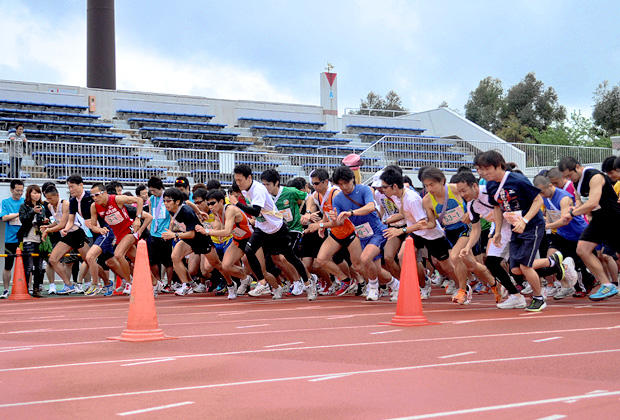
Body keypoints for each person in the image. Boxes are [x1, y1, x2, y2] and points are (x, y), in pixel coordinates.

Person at [479, 150, 562, 312]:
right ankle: (552, 262)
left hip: (532, 225)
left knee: (525, 265)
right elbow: (497, 206)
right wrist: (497, 232)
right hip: (514, 226)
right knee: (515, 269)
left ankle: (538, 298)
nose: (484, 172)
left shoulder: (517, 180)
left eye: (487, 168)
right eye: (481, 169)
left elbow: (538, 200)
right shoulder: (490, 185)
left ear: (498, 166)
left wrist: (525, 220)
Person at [232, 164, 315, 300]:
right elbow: (257, 212)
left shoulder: (258, 189)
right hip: (262, 229)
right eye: (236, 180)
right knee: (248, 251)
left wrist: (237, 204)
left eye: (240, 180)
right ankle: (262, 282)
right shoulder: (246, 190)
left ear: (249, 178)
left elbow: (256, 211)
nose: (238, 183)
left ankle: (307, 283)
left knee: (290, 257)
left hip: (277, 228)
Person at [332, 166, 397, 302]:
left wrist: (351, 213)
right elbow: (338, 221)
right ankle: (397, 286)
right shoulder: (338, 199)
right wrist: (334, 218)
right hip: (362, 235)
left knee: (365, 258)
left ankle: (373, 287)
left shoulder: (364, 190)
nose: (344, 187)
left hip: (377, 232)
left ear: (352, 180)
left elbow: (371, 207)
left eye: (346, 183)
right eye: (340, 184)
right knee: (377, 270)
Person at [559, 157, 620, 301]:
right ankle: (607, 285)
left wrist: (573, 213)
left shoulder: (595, 177)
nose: (568, 179)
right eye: (565, 177)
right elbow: (579, 199)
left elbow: (592, 202)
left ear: (578, 167)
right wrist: (576, 208)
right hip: (598, 220)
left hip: (613, 218)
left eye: (569, 175)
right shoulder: (576, 182)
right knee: (582, 250)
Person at [88, 183, 148, 295]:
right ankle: (154, 283)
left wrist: (138, 219)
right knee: (136, 259)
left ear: (104, 193)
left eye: (97, 195)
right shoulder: (94, 206)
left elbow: (139, 200)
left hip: (130, 230)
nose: (95, 198)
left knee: (118, 254)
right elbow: (93, 226)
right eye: (92, 196)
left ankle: (129, 283)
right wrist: (100, 230)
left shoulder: (117, 199)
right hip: (119, 235)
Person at [161, 187, 216, 296]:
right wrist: (199, 211)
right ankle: (187, 284)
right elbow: (188, 202)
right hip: (189, 240)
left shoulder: (187, 212)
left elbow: (192, 234)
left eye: (168, 201)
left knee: (215, 265)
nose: (165, 204)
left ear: (177, 202)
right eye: (164, 201)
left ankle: (231, 282)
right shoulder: (174, 209)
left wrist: (175, 235)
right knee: (175, 256)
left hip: (201, 239)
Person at [203, 189, 254, 299]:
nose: (210, 206)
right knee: (226, 266)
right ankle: (245, 278)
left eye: (212, 203)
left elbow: (227, 231)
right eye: (208, 204)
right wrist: (220, 233)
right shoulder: (217, 212)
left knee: (256, 265)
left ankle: (273, 286)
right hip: (238, 240)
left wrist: (207, 231)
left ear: (221, 201)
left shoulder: (230, 209)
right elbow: (223, 227)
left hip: (252, 239)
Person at [45, 175, 92, 295]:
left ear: (57, 195)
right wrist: (48, 227)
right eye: (47, 199)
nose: (49, 201)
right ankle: (68, 284)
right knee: (53, 259)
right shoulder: (50, 206)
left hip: (76, 233)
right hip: (68, 235)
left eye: (50, 198)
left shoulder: (65, 203)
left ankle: (104, 282)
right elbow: (56, 221)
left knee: (89, 260)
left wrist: (48, 231)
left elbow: (62, 224)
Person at [18, 185, 48, 298]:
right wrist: (32, 212)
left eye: (38, 193)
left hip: (40, 238)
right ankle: (25, 289)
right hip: (28, 237)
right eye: (34, 193)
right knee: (28, 266)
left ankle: (36, 289)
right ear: (29, 194)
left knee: (39, 267)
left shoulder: (42, 206)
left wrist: (44, 220)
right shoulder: (24, 206)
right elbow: (23, 220)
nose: (37, 195)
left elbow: (41, 221)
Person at [147, 176, 174, 292]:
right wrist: (148, 230)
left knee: (167, 260)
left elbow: (172, 216)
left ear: (160, 188)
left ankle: (169, 283)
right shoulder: (152, 199)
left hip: (165, 233)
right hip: (154, 233)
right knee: (152, 260)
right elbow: (149, 214)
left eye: (155, 190)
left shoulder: (167, 198)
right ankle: (158, 282)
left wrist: (170, 231)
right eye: (151, 191)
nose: (153, 193)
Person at [1, 180, 25, 298]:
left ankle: (28, 288)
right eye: (17, 190)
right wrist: (18, 214)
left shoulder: (26, 201)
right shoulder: (5, 202)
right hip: (10, 239)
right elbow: (4, 218)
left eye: (21, 190)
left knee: (27, 264)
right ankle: (6, 289)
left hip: (24, 238)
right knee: (8, 265)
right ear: (11, 190)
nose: (19, 193)